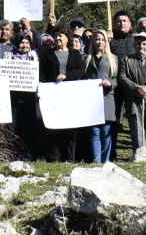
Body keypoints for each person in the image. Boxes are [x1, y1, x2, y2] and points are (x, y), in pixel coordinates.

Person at [36, 31, 81, 161]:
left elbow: (80, 71)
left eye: (61, 35)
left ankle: (69, 158)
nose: (58, 38)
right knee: (54, 127)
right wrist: (41, 90)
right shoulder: (47, 55)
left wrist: (66, 76)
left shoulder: (75, 54)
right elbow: (42, 75)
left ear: (68, 39)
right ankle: (54, 158)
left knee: (70, 129)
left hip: (70, 97)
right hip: (53, 97)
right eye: (56, 36)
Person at [79, 30, 119, 163]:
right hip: (92, 100)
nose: (99, 42)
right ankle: (97, 161)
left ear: (106, 42)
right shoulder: (86, 59)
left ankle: (106, 160)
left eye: (102, 39)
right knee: (94, 132)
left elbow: (118, 79)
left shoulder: (113, 59)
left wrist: (110, 83)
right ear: (93, 41)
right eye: (97, 39)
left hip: (108, 98)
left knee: (106, 132)